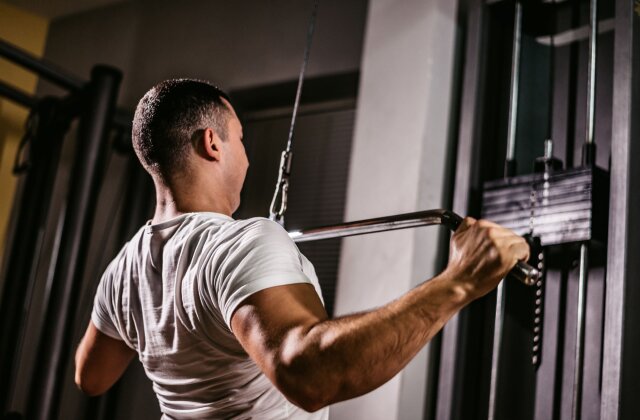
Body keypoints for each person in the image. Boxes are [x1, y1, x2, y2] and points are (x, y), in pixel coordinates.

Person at [74, 79, 529, 419]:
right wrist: (460, 281)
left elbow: (90, 377)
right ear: (211, 143)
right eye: (241, 139)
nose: (247, 158)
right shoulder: (238, 242)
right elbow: (310, 376)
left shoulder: (124, 269)